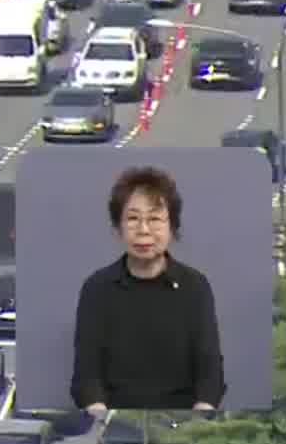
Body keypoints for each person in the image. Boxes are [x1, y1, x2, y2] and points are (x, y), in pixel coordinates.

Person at [70, 166, 225, 414]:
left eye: (155, 219)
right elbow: (87, 375)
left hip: (181, 423)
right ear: (118, 228)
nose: (143, 230)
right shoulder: (97, 289)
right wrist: (101, 416)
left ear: (172, 228)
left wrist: (198, 421)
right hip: (115, 421)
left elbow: (210, 372)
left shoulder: (194, 286)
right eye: (132, 219)